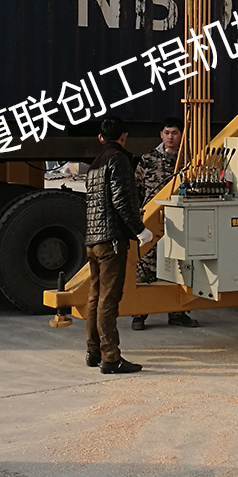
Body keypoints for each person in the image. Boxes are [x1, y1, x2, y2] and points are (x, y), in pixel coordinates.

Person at [85, 116, 152, 375]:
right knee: (109, 300)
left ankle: (93, 351)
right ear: (124, 136)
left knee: (95, 297)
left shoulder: (94, 165)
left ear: (101, 138)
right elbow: (122, 200)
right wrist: (140, 230)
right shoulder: (119, 160)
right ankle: (111, 357)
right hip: (112, 240)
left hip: (93, 240)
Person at [132, 116, 200, 331]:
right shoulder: (148, 159)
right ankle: (139, 313)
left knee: (179, 267)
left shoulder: (189, 160)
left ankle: (178, 312)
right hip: (152, 220)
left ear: (182, 135)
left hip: (179, 221)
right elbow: (136, 188)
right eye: (167, 133)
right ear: (161, 135)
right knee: (145, 266)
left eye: (175, 133)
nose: (171, 137)